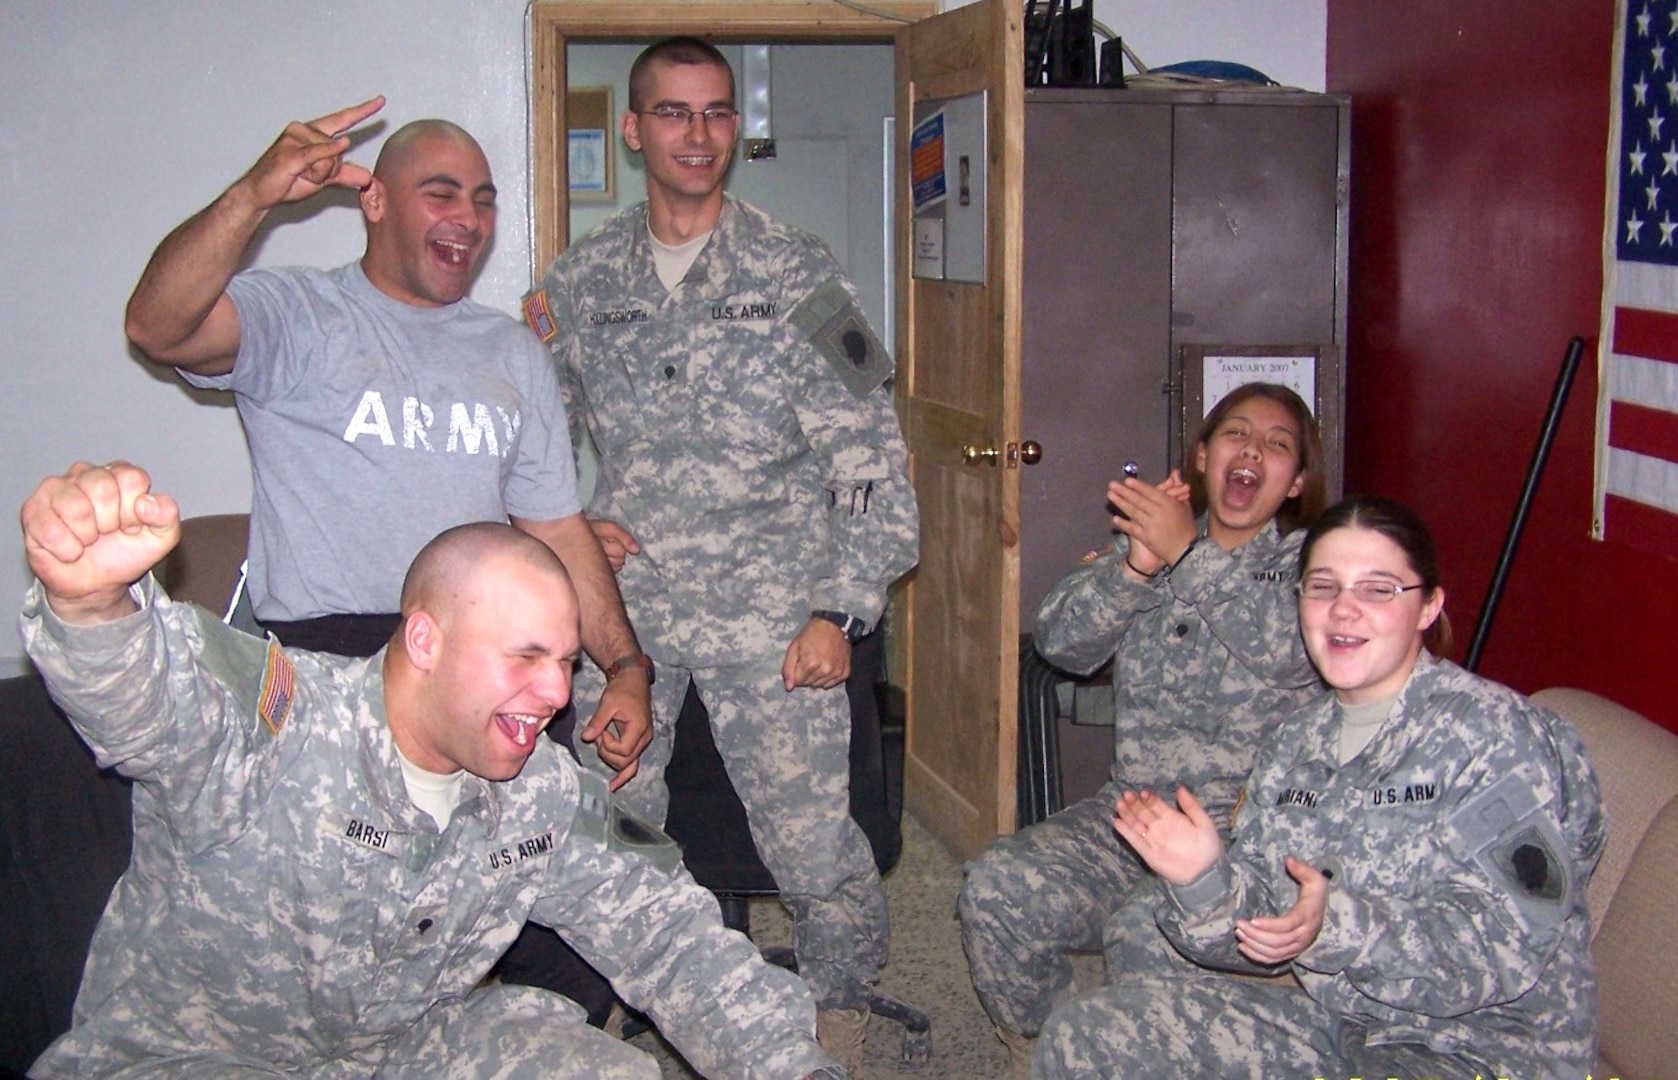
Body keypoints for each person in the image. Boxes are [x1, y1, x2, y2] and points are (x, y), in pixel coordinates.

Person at [18, 460, 841, 1080]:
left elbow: (669, 937)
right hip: (192, 1059)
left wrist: (792, 1070)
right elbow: (152, 696)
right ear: (424, 642)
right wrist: (91, 607)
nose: (555, 692)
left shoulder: (537, 791)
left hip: (393, 1055)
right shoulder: (282, 720)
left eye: (562, 660)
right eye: (524, 656)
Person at [123, 102, 650, 1023]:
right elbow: (158, 326)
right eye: (440, 192)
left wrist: (626, 665)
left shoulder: (511, 352)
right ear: (373, 204)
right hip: (338, 667)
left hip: (486, 666)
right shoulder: (303, 312)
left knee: (567, 924)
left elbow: (559, 529)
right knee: (349, 964)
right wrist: (254, 197)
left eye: (483, 199)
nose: (470, 219)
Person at [521, 36, 920, 1067]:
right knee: (608, 813)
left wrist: (841, 611)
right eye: (672, 113)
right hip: (628, 613)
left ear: (734, 127)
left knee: (810, 843)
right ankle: (640, 988)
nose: (696, 136)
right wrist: (569, 523)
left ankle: (835, 1008)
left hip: (775, 614)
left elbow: (871, 457)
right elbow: (523, 436)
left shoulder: (801, 271)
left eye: (715, 113)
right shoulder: (579, 281)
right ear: (633, 128)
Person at [1035, 495, 1605, 1078]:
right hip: (1347, 1024)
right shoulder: (1296, 743)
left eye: (1379, 590)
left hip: (1478, 1052)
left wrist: (1334, 926)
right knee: (1084, 1037)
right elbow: (1262, 930)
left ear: (1429, 607)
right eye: (1323, 587)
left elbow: (1503, 946)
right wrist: (1206, 881)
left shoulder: (1493, 734)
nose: (1343, 611)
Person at [958, 382, 1328, 1077]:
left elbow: (1291, 650)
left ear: (1298, 481)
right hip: (1128, 820)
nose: (1252, 450)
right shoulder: (1152, 547)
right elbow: (1064, 646)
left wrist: (1190, 556)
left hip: (1238, 849)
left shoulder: (1313, 567)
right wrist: (1136, 567)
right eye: (1235, 434)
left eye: (1277, 445)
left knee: (1144, 928)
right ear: (1202, 456)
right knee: (995, 889)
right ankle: (1050, 1045)